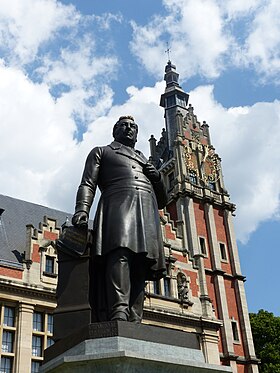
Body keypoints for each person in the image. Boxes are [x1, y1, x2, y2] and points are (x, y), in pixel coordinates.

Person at [72, 115, 167, 323]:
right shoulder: (102, 152)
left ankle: (135, 316)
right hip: (118, 206)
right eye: (123, 125)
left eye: (133, 126)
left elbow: (163, 201)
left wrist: (157, 177)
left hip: (146, 212)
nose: (128, 129)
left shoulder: (144, 159)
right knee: (119, 253)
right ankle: (119, 310)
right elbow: (88, 183)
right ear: (115, 130)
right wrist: (82, 210)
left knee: (141, 262)